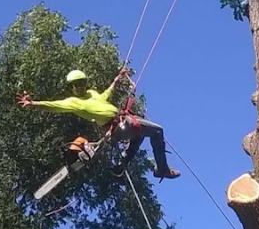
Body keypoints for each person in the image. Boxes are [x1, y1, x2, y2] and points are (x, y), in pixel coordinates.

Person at [17, 69, 180, 180]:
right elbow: (54, 106)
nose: (80, 87)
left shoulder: (91, 94)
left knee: (139, 135)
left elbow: (104, 95)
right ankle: (162, 169)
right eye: (76, 84)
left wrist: (117, 80)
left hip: (123, 120)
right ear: (71, 87)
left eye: (82, 82)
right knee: (157, 131)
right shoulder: (73, 102)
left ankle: (121, 165)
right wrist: (34, 104)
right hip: (118, 126)